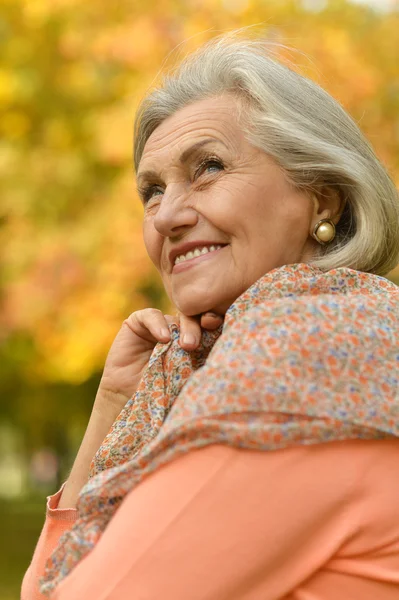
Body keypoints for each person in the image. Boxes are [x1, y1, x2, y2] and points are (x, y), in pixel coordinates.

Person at [22, 34, 399, 600]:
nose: (167, 215)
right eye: (151, 190)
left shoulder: (304, 352)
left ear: (322, 199)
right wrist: (115, 405)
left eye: (208, 168)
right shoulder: (358, 326)